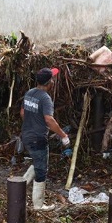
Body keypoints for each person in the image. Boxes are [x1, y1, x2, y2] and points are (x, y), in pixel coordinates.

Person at [20, 67, 70, 211]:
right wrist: (63, 135)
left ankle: (18, 188)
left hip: (26, 135)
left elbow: (22, 113)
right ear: (49, 83)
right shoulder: (45, 98)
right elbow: (49, 119)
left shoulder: (29, 93)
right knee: (41, 170)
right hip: (37, 138)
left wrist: (31, 123)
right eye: (52, 79)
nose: (54, 81)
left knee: (37, 161)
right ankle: (38, 205)